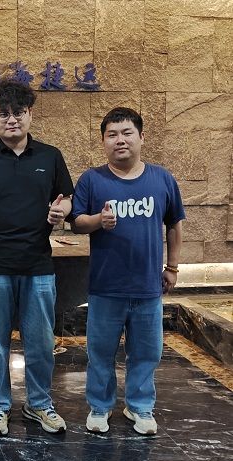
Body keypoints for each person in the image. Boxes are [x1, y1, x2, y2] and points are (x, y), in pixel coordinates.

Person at [0, 80, 73, 436]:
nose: (11, 120)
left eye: (18, 112)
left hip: (38, 265)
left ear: (30, 114)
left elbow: (66, 198)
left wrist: (62, 211)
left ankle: (39, 404)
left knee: (40, 342)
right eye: (3, 113)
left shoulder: (50, 156)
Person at [70, 107, 185, 435]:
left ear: (141, 137)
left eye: (127, 133)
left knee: (147, 353)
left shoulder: (162, 179)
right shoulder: (92, 179)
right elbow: (77, 222)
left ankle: (140, 407)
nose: (120, 140)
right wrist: (99, 221)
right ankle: (99, 406)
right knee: (100, 353)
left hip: (148, 286)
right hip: (105, 286)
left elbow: (175, 224)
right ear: (103, 141)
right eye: (112, 135)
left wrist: (172, 267)